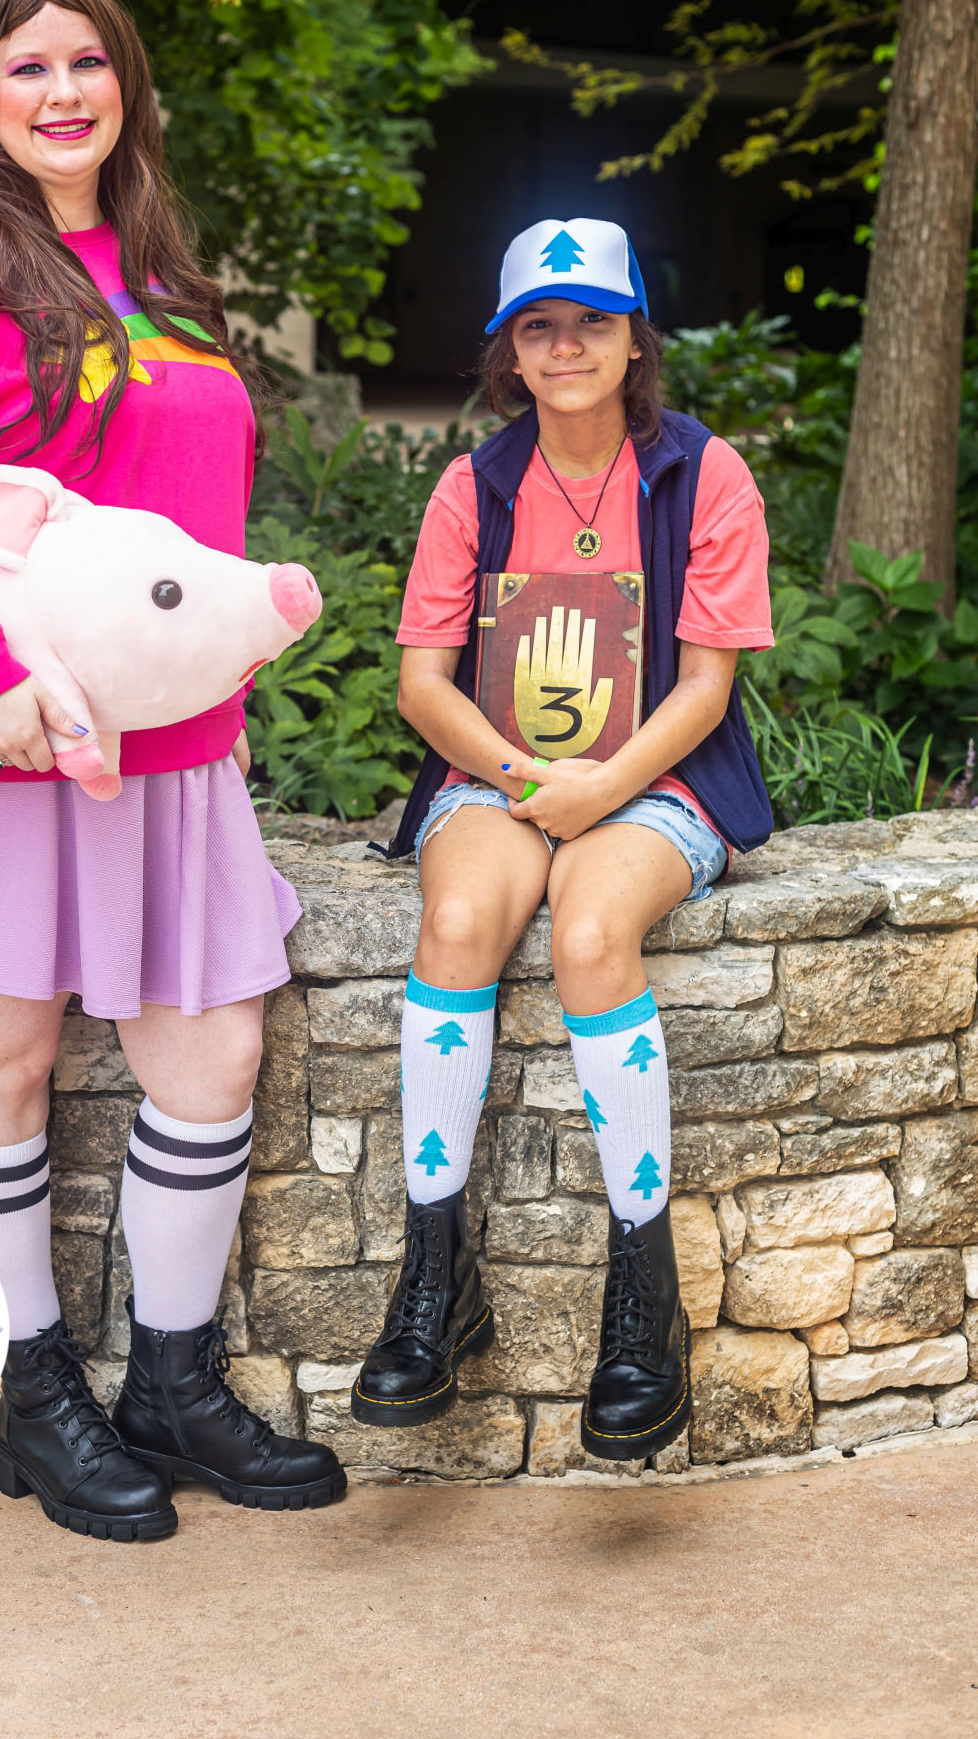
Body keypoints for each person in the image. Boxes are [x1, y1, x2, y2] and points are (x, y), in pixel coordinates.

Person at [0, 0, 345, 1539]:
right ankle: (35, 1399)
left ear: (125, 81)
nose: (63, 93)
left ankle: (172, 1386)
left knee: (212, 1056)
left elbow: (183, 531)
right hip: (8, 738)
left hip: (175, 755)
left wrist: (217, 693)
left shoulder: (164, 277)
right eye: (26, 69)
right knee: (1, 1063)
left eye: (86, 63)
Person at [351, 217, 774, 1461]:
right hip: (500, 769)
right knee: (458, 918)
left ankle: (645, 1304)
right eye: (540, 325)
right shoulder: (474, 486)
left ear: (636, 338)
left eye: (594, 320)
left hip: (659, 777)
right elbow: (423, 685)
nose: (568, 344)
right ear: (510, 352)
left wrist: (600, 789)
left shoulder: (704, 474)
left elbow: (706, 686)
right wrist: (527, 777)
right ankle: (434, 1277)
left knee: (590, 930)